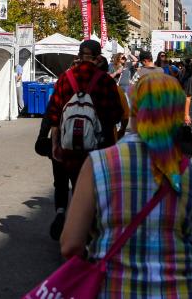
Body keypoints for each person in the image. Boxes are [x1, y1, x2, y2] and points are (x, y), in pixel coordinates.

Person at [60, 72, 192, 297]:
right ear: (177, 114)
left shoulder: (98, 164)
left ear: (135, 110)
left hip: (114, 289)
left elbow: (70, 245)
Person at [45, 40, 128, 240]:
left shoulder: (65, 78)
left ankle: (64, 216)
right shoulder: (105, 81)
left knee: (70, 184)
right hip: (99, 149)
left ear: (80, 55)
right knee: (94, 192)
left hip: (69, 147)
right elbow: (115, 115)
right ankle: (89, 232)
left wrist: (55, 144)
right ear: (98, 57)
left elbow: (54, 114)